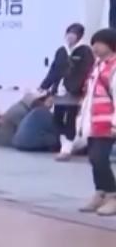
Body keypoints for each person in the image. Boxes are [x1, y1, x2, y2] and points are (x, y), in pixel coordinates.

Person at [39, 23, 94, 161]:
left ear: (79, 36)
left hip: (73, 91)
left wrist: (79, 88)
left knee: (70, 120)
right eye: (68, 34)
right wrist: (45, 85)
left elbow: (86, 71)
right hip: (58, 91)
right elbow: (54, 69)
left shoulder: (85, 51)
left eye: (73, 35)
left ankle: (66, 149)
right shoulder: (61, 51)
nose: (70, 37)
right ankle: (65, 144)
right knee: (57, 119)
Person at [78, 28, 116, 215]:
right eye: (93, 43)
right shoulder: (97, 66)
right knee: (94, 159)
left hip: (108, 123)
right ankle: (100, 192)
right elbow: (89, 97)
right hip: (94, 122)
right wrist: (81, 122)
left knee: (100, 158)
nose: (95, 47)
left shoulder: (113, 67)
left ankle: (112, 195)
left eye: (99, 43)